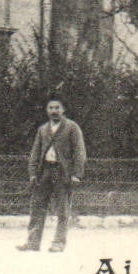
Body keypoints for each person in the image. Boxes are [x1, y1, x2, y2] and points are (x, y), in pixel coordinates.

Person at [19, 97, 85, 252]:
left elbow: (79, 151)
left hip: (63, 173)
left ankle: (58, 243)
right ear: (47, 110)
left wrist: (77, 174)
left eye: (57, 107)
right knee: (37, 207)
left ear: (63, 110)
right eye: (51, 108)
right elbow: (36, 152)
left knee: (62, 209)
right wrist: (33, 172)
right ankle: (33, 242)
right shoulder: (42, 129)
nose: (54, 111)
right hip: (44, 172)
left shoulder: (72, 127)